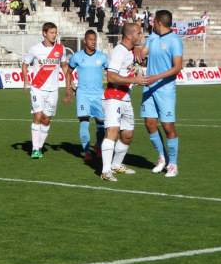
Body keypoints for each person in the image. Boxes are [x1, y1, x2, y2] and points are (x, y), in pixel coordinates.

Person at [100, 23, 149, 182]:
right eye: (139, 33)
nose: (141, 36)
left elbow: (144, 51)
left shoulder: (130, 50)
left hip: (125, 97)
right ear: (129, 35)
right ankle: (105, 171)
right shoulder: (119, 52)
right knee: (112, 132)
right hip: (113, 96)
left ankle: (116, 165)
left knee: (127, 135)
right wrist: (135, 80)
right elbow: (111, 77)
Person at [141, 10, 184, 178]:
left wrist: (155, 77)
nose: (152, 23)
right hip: (148, 87)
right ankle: (162, 157)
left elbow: (177, 67)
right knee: (149, 123)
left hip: (165, 89)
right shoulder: (152, 37)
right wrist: (139, 50)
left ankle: (173, 164)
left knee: (168, 127)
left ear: (159, 22)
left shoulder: (175, 41)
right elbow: (143, 53)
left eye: (153, 21)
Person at [21, 22, 69, 160]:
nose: (54, 35)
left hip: (53, 89)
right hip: (37, 87)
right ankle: (35, 149)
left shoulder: (60, 49)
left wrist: (69, 83)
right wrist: (26, 80)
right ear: (44, 33)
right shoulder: (35, 49)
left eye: (55, 32)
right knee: (38, 116)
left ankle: (39, 146)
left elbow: (64, 66)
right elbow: (25, 64)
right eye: (52, 33)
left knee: (46, 119)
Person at [66, 29, 107, 162]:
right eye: (90, 39)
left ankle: (98, 146)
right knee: (84, 121)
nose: (93, 42)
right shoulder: (77, 56)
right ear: (85, 41)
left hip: (99, 94)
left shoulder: (102, 57)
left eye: (95, 40)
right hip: (83, 94)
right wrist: (69, 89)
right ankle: (86, 150)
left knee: (101, 123)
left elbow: (111, 72)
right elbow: (68, 72)